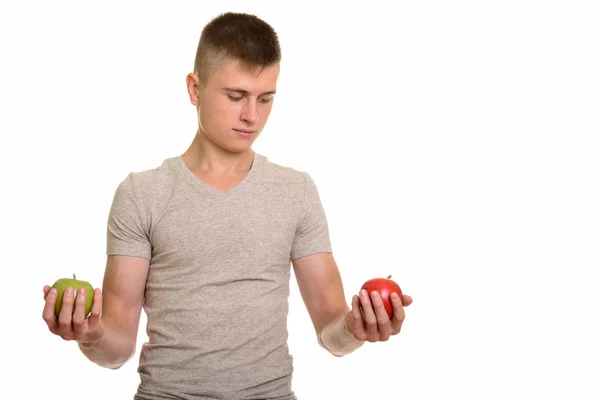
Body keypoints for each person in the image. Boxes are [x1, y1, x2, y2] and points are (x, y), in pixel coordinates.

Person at [42, 11, 412, 400]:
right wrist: (91, 334)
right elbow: (116, 347)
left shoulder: (296, 191)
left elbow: (332, 334)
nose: (252, 116)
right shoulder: (141, 193)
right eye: (236, 96)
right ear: (194, 89)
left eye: (265, 99)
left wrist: (357, 326)